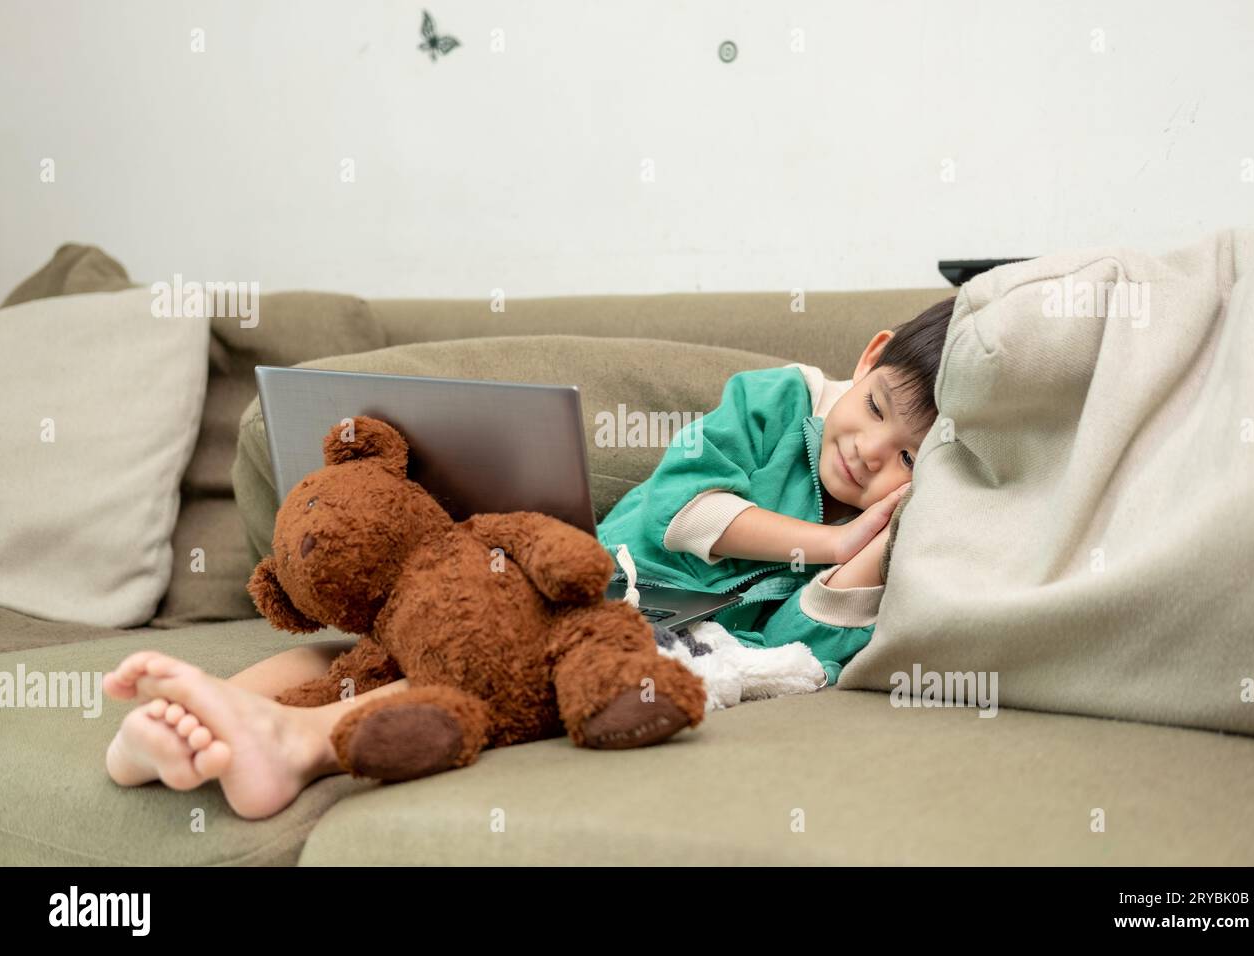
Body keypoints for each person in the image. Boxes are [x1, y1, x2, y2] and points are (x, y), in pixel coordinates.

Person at [103, 296, 956, 819]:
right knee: (376, 642)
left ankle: (291, 742)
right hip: (589, 582)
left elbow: (804, 653)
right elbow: (685, 510)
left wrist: (861, 559)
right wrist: (826, 539)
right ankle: (213, 710)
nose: (871, 452)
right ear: (868, 355)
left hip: (629, 650)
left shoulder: (890, 543)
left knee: (483, 672)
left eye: (909, 458)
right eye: (875, 408)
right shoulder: (774, 403)